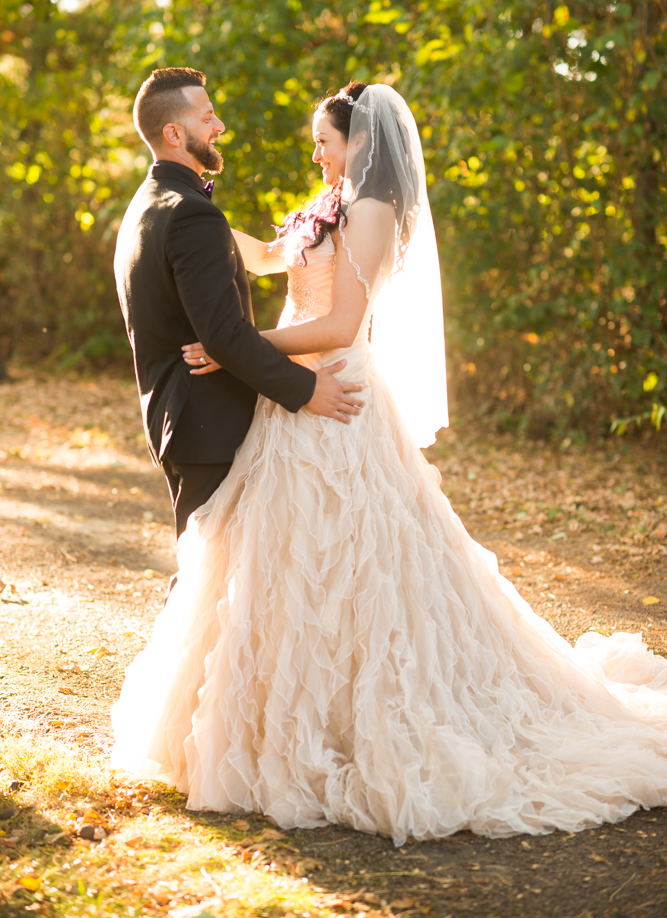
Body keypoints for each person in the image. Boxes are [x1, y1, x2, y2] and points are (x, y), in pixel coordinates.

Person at [112, 81, 667, 844]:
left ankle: (362, 716)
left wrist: (232, 345)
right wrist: (174, 218)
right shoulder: (330, 201)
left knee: (361, 563)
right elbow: (272, 255)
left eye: (323, 141)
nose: (314, 153)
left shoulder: (372, 211)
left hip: (333, 394)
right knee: (289, 564)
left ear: (361, 141)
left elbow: (340, 321)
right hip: (290, 404)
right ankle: (298, 711)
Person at [114, 67, 365, 554]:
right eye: (207, 117)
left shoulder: (148, 206)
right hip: (205, 420)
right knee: (208, 575)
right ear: (174, 133)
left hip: (178, 416)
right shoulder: (190, 214)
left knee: (218, 572)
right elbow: (224, 336)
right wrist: (307, 388)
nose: (219, 126)